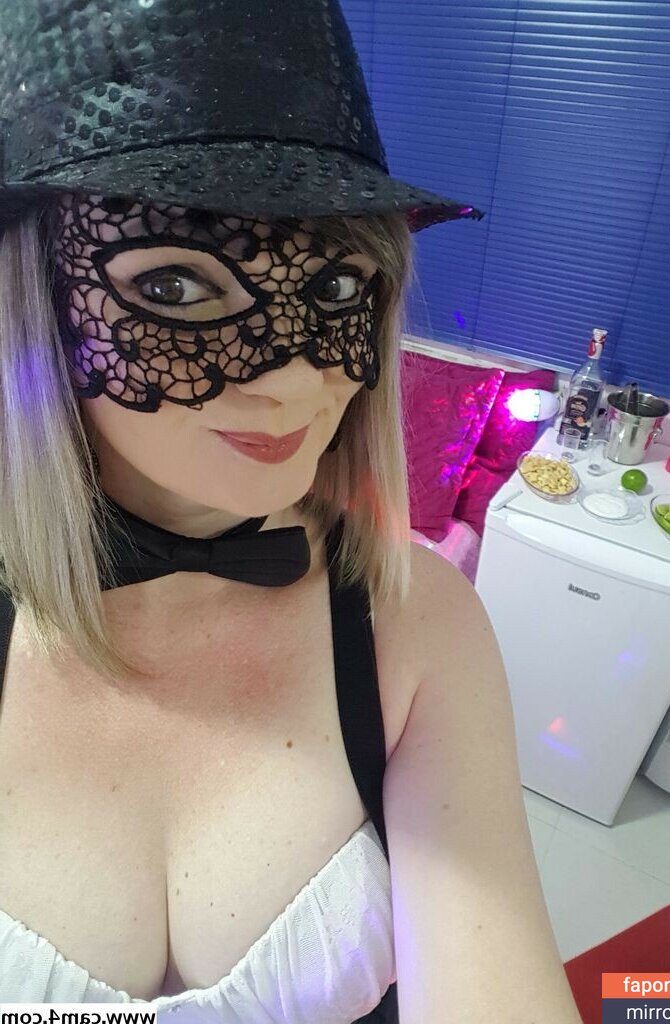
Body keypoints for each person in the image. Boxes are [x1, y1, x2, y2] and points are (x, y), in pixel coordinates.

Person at [0, 1, 583, 1021]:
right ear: (33, 297)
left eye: (337, 287)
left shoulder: (417, 622)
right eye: (175, 285)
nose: (294, 382)